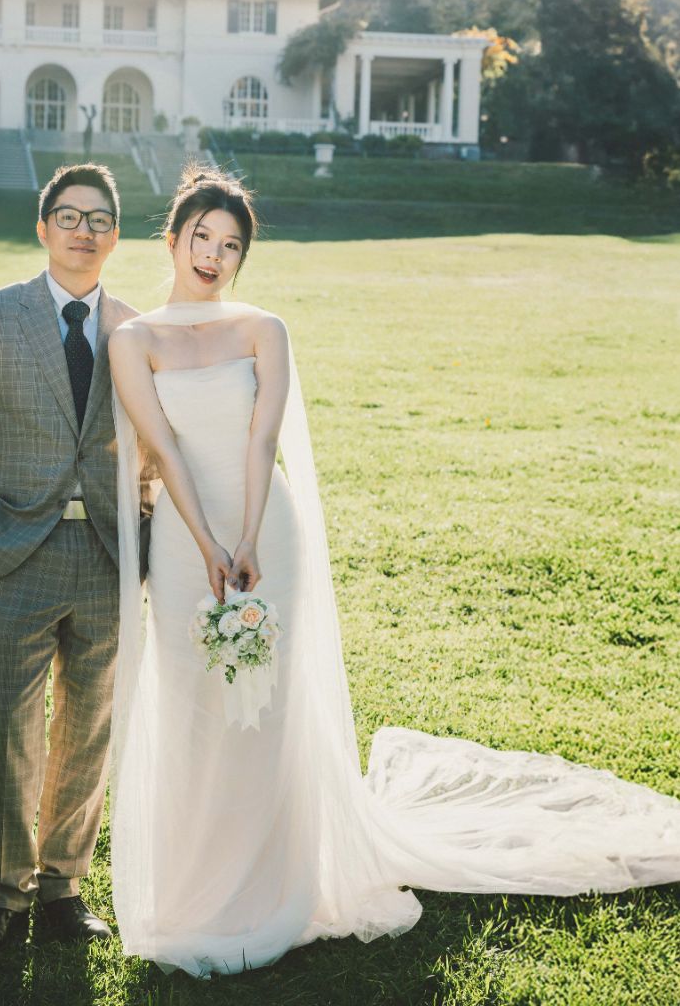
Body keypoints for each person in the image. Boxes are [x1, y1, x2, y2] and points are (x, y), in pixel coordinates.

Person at [107, 163, 680, 979]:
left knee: (268, 710)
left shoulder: (263, 328)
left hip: (270, 531)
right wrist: (205, 543)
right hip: (180, 538)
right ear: (172, 238)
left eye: (231, 244)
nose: (214, 254)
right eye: (201, 236)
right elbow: (161, 448)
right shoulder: (134, 340)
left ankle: (279, 884)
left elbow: (260, 441)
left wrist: (249, 540)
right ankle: (197, 891)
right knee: (195, 703)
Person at [0, 162, 138, 953]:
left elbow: (151, 445)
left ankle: (63, 888)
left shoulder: (136, 326)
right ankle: (5, 895)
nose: (84, 230)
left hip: (106, 557)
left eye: (99, 219)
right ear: (43, 226)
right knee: (9, 732)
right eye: (69, 216)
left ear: (114, 236)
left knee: (88, 731)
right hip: (12, 551)